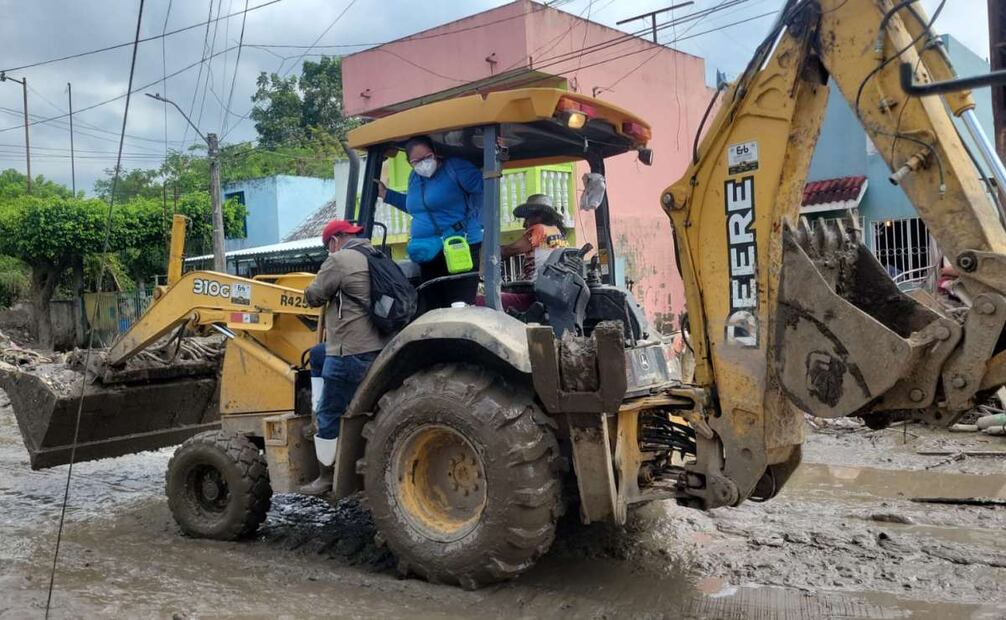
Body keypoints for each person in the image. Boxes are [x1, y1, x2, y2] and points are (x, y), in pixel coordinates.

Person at [298, 219, 389, 496]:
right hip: (378, 346)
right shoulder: (376, 256)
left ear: (334, 241)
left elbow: (314, 296)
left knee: (329, 412)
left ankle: (326, 475)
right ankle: (316, 401)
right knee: (317, 353)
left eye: (328, 247)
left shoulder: (338, 260)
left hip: (350, 351)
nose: (329, 251)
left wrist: (310, 289)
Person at [376, 136, 483, 308]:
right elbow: (418, 208)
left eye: (426, 158)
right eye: (416, 161)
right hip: (429, 250)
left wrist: (475, 222)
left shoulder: (455, 168)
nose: (423, 164)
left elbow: (484, 191)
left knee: (458, 305)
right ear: (410, 163)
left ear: (435, 153)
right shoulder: (414, 178)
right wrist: (387, 195)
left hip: (458, 244)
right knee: (433, 306)